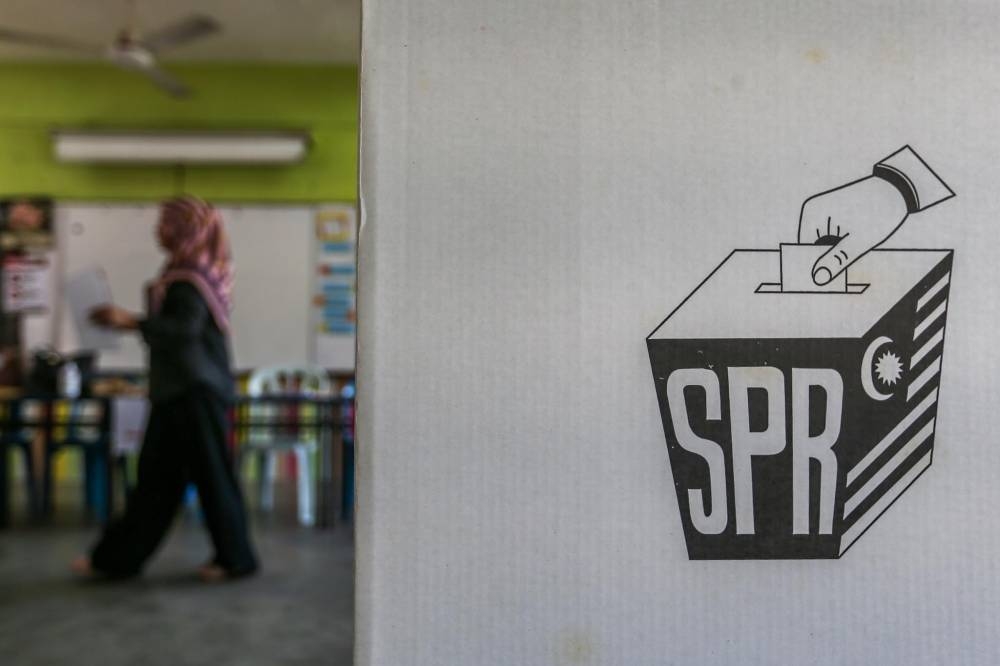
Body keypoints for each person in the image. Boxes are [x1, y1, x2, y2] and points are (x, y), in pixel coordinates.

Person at [71, 195, 258, 582]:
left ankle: (236, 559)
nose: (159, 230)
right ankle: (116, 559)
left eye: (167, 222)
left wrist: (129, 322)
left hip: (194, 391)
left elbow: (182, 331)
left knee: (209, 478)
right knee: (158, 481)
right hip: (180, 391)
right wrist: (130, 323)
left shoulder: (189, 279)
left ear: (188, 229)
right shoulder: (182, 272)